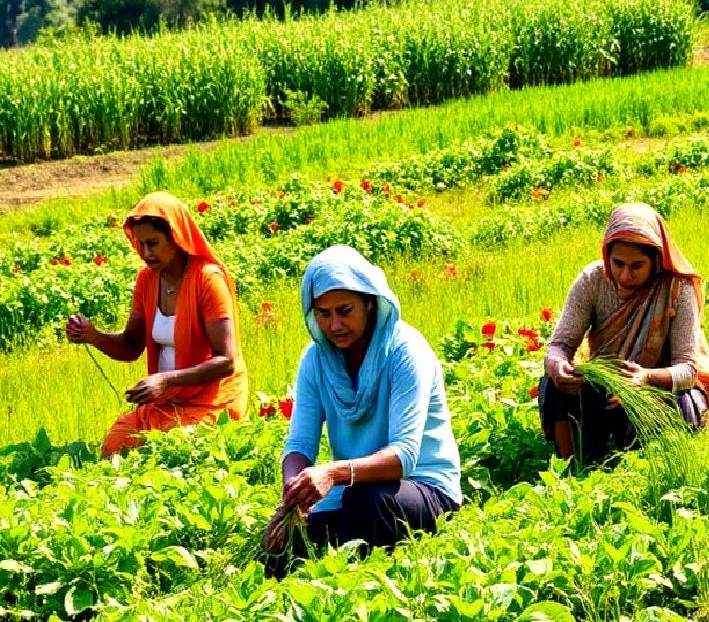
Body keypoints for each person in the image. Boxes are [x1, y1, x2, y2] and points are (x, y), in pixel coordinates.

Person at [263, 246, 461, 577]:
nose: (335, 325)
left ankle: (369, 585)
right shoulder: (316, 360)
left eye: (344, 310)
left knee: (366, 503)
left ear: (369, 302)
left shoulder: (405, 351)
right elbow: (299, 445)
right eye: (323, 314)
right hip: (354, 489)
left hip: (423, 488)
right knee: (284, 545)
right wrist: (293, 497)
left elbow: (404, 457)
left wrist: (332, 474)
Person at [540, 203, 709, 465]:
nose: (624, 275)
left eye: (637, 266)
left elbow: (687, 370)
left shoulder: (676, 289)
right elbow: (559, 344)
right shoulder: (593, 280)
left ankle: (654, 464)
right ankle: (573, 466)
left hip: (656, 387)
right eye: (618, 263)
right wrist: (558, 364)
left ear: (656, 261)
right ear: (607, 256)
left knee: (685, 404)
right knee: (553, 385)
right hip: (607, 385)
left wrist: (646, 377)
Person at [65, 192, 248, 458]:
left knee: (169, 454)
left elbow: (226, 361)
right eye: (139, 244)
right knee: (114, 447)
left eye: (153, 243)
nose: (145, 253)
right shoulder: (147, 280)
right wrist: (92, 335)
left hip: (211, 403)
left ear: (176, 237)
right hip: (166, 403)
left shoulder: (207, 280)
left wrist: (165, 380)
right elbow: (130, 346)